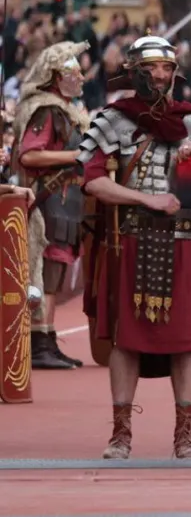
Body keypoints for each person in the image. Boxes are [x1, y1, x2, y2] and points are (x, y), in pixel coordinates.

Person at [76, 35, 191, 460]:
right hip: (130, 240)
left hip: (183, 240)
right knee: (126, 338)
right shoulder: (113, 119)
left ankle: (185, 434)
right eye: (151, 69)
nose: (160, 77)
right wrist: (147, 199)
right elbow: (92, 180)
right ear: (134, 72)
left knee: (187, 339)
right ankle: (120, 434)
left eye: (166, 69)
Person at [10, 40, 92, 371]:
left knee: (54, 274)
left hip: (66, 203)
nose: (82, 77)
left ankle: (47, 339)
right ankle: (37, 342)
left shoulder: (68, 111)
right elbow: (29, 155)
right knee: (43, 273)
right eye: (74, 72)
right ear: (56, 77)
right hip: (48, 203)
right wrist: (75, 156)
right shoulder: (47, 111)